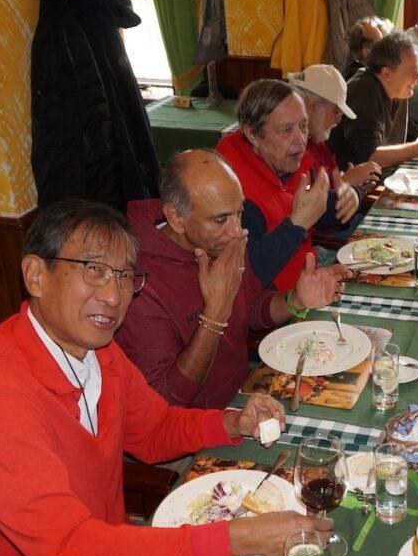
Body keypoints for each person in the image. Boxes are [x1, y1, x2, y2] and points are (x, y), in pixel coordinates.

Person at [0, 199, 332, 556]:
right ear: (36, 275)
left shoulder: (97, 351)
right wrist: (237, 538)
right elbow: (71, 552)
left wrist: (231, 423)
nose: (113, 295)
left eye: (125, 276)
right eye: (93, 270)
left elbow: (152, 431)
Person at [117, 149, 352, 409]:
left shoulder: (220, 241)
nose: (237, 231)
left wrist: (295, 300)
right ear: (176, 218)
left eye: (239, 213)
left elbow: (251, 309)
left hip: (246, 396)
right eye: (220, 220)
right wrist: (214, 314)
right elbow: (167, 399)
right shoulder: (138, 285)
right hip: (200, 424)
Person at [216, 79, 360, 291]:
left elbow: (318, 212)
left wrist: (350, 196)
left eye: (303, 126)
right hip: (278, 300)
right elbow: (245, 275)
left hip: (308, 270)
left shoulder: (287, 161)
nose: (301, 139)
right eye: (286, 130)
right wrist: (296, 225)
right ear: (253, 134)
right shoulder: (230, 192)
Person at [328, 31, 418, 171]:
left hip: (385, 175)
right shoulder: (363, 90)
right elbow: (370, 157)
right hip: (352, 181)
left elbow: (401, 131)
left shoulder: (397, 89)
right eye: (412, 69)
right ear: (386, 73)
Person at [289, 63, 381, 190]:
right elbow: (303, 200)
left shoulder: (318, 142)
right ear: (313, 107)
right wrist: (345, 182)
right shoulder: (292, 149)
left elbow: (331, 184)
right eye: (336, 111)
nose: (339, 120)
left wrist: (355, 189)